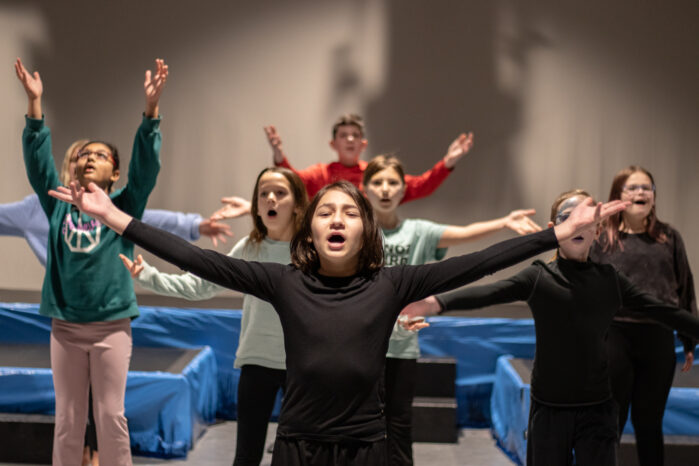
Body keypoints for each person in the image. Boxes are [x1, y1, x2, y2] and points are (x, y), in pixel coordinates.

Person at [49, 177, 627, 465]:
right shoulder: (282, 281)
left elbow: (481, 262)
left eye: (350, 212)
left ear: (364, 231)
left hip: (365, 447)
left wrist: (557, 233)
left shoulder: (392, 283)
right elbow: (197, 259)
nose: (337, 218)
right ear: (311, 228)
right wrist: (113, 215)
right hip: (297, 446)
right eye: (326, 210)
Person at [400, 190, 699, 466]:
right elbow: (489, 292)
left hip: (598, 409)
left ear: (597, 228)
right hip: (548, 410)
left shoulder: (610, 280)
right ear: (553, 229)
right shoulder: (539, 277)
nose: (577, 224)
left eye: (586, 218)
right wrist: (435, 303)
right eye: (566, 217)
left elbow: (664, 311)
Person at [15, 56, 168, 466]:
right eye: (84, 154)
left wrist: (151, 112)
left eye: (100, 155)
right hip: (65, 327)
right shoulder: (60, 206)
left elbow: (146, 168)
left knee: (110, 415)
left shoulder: (124, 205)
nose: (88, 158)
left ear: (114, 173)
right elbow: (37, 164)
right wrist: (35, 106)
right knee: (67, 418)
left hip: (110, 329)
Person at [361, 154, 542, 465]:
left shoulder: (419, 231)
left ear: (405, 189)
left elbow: (466, 232)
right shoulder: (356, 232)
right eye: (377, 182)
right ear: (364, 189)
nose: (385, 189)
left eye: (393, 182)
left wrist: (503, 222)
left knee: (399, 422)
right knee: (362, 423)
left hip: (401, 345)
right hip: (360, 344)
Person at [121, 167, 308, 466]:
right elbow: (201, 286)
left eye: (280, 193)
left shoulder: (311, 252)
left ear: (298, 203)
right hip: (256, 362)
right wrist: (150, 277)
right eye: (263, 194)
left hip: (303, 366)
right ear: (256, 206)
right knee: (246, 455)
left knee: (298, 455)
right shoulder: (249, 249)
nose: (271, 199)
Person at [589, 166, 697, 466]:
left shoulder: (668, 237)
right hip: (615, 337)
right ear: (618, 196)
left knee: (650, 422)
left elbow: (685, 287)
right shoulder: (603, 238)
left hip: (658, 339)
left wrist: (689, 339)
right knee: (613, 420)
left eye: (646, 188)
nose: (640, 193)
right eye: (633, 188)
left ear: (654, 196)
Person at [0, 138, 233, 266]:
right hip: (65, 307)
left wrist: (195, 225)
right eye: (78, 157)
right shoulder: (37, 209)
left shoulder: (111, 205)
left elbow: (150, 220)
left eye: (93, 157)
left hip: (108, 306)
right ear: (66, 168)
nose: (85, 162)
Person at [264, 114, 474, 201]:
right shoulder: (320, 174)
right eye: (343, 135)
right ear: (333, 143)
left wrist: (448, 162)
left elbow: (420, 186)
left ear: (363, 144)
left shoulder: (377, 176)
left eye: (355, 135)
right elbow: (290, 183)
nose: (350, 140)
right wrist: (279, 155)